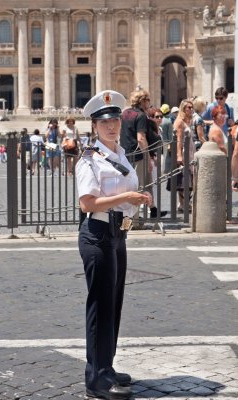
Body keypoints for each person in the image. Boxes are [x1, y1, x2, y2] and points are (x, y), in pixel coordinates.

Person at [76, 89, 152, 400]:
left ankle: (104, 367)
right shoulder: (88, 158)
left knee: (114, 305)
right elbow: (88, 203)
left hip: (117, 234)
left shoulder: (119, 154)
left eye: (115, 120)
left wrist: (135, 200)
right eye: (104, 122)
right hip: (97, 234)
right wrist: (126, 198)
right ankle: (96, 380)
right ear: (94, 126)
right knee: (100, 306)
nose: (111, 126)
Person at [120, 90, 160, 227]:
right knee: (137, 189)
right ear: (143, 101)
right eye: (148, 100)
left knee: (130, 189)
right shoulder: (141, 115)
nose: (149, 103)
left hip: (125, 156)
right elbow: (141, 139)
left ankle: (129, 221)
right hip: (138, 156)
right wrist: (148, 158)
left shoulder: (124, 113)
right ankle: (134, 223)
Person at [174, 99, 196, 212]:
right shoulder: (179, 121)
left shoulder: (188, 121)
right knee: (184, 179)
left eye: (192, 107)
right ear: (183, 109)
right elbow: (178, 140)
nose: (191, 109)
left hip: (190, 151)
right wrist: (179, 155)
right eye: (189, 107)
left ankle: (183, 203)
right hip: (183, 152)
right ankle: (183, 204)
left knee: (187, 178)